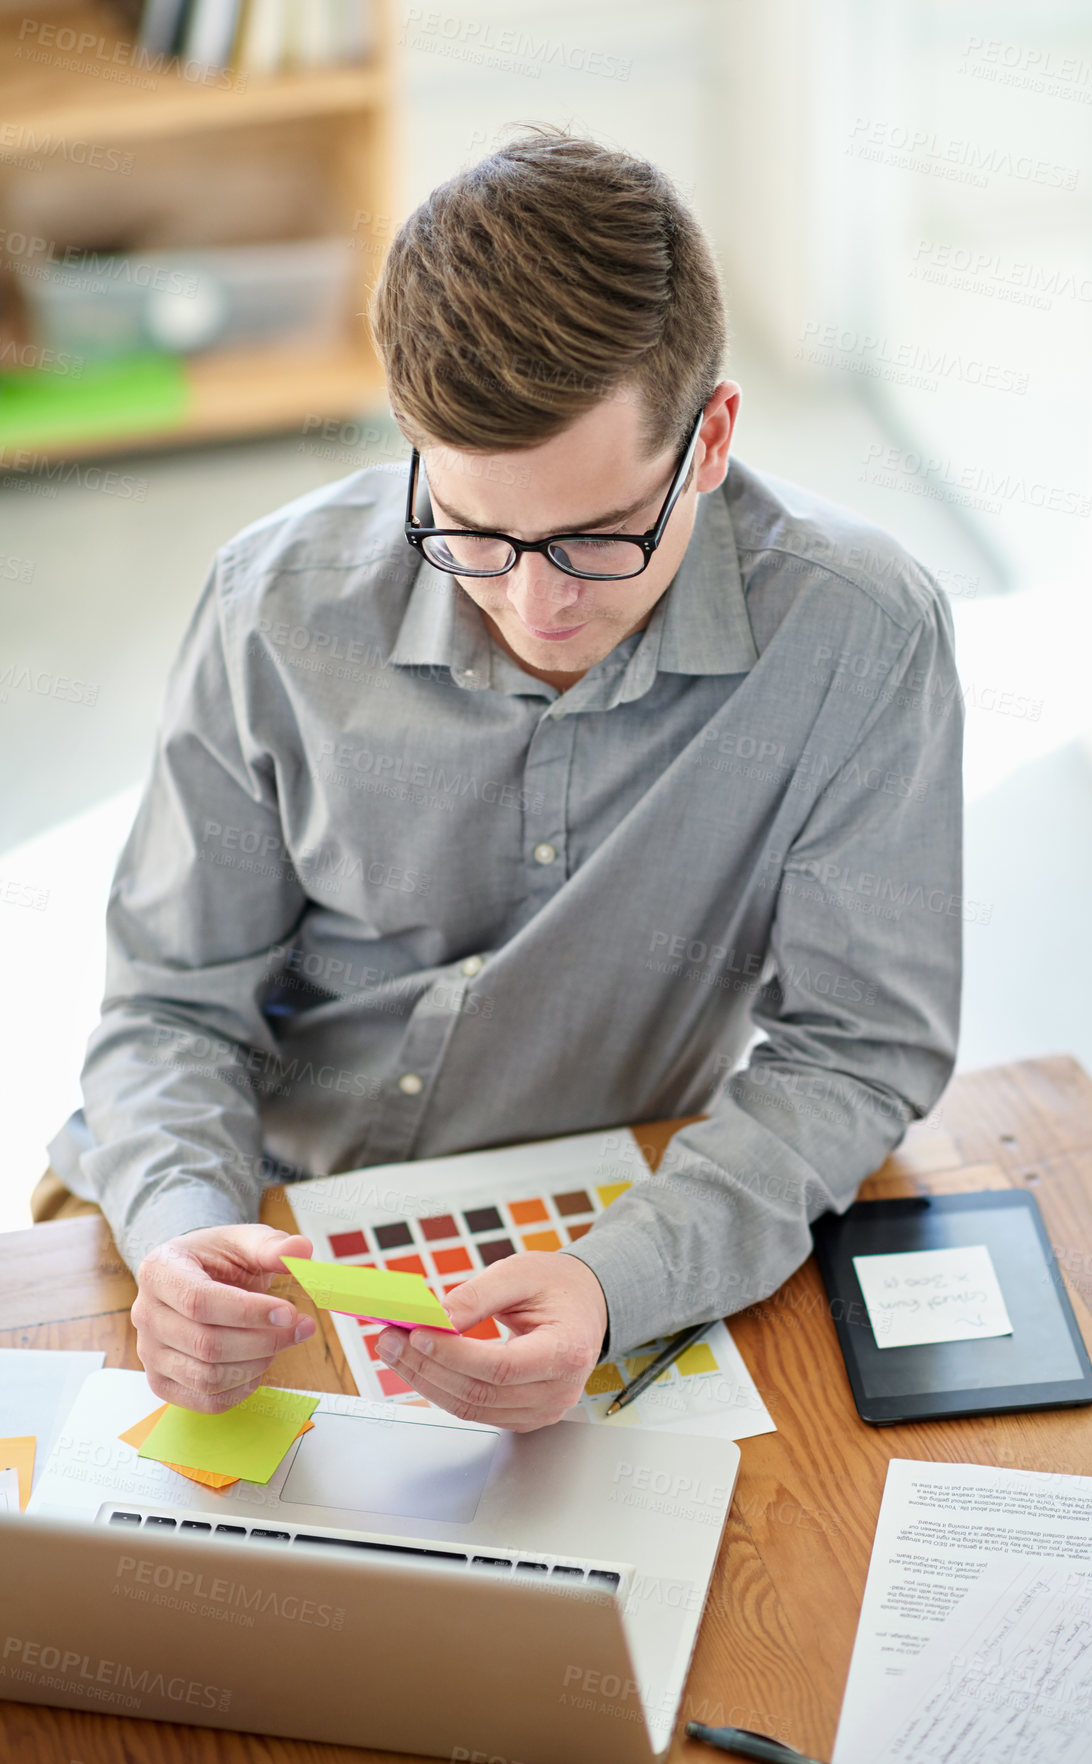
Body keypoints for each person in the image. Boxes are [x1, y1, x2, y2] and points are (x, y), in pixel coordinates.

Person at [40, 127, 963, 1432]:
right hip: (253, 1206)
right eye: (471, 531)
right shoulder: (276, 603)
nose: (533, 602)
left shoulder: (860, 635)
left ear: (712, 439)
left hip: (596, 1208)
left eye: (597, 536)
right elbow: (173, 1008)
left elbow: (861, 1050)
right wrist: (186, 1229)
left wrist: (619, 1279)